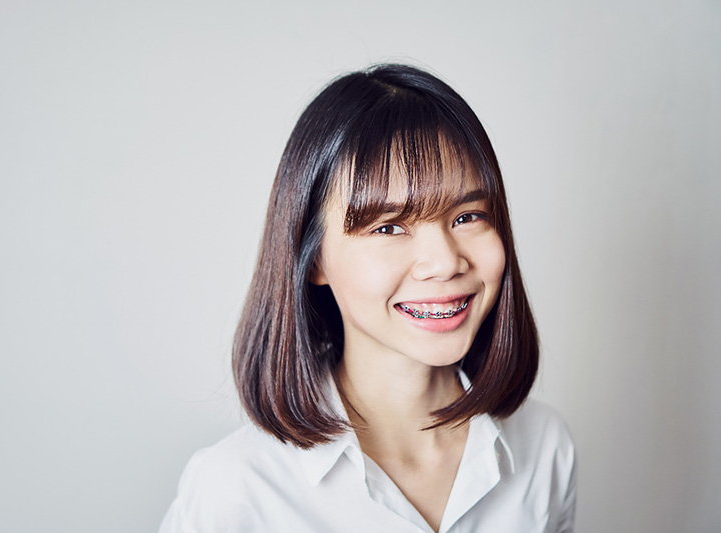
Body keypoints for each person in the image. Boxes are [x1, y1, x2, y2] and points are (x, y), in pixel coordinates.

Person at [159, 64, 576, 533]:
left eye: (468, 216)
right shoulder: (235, 490)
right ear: (313, 258)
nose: (444, 262)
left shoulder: (545, 446)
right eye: (389, 226)